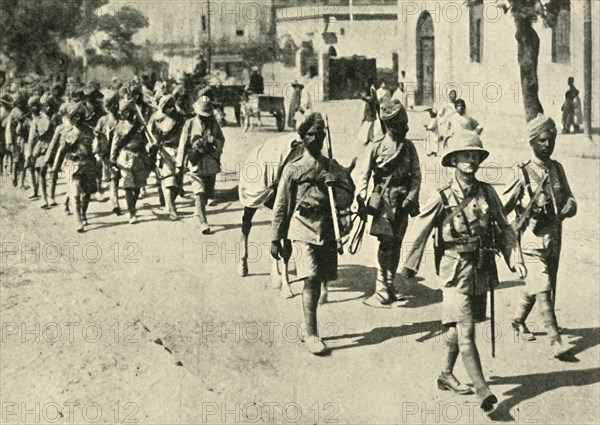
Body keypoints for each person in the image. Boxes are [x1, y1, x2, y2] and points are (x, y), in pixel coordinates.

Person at [400, 130, 526, 415]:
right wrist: (408, 265)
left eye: (475, 156)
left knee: (459, 327)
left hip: (481, 269)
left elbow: (504, 227)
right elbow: (419, 230)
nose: (471, 161)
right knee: (466, 330)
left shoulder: (487, 192)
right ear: (454, 160)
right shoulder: (441, 196)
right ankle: (484, 391)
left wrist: (513, 256)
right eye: (465, 156)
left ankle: (445, 373)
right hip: (453, 271)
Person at [270, 112, 355, 354]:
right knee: (310, 278)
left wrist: (336, 184)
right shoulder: (293, 169)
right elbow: (281, 206)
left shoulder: (333, 167)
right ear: (303, 137)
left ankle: (308, 327)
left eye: (320, 135)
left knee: (319, 280)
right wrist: (276, 238)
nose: (316, 139)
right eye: (310, 135)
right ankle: (312, 334)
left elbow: (347, 199)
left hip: (327, 229)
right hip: (301, 227)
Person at [503, 114, 576, 359]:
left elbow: (569, 197)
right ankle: (556, 342)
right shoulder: (522, 173)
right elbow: (501, 207)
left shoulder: (557, 168)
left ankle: (517, 320)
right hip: (531, 240)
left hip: (555, 238)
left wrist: (570, 206)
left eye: (551, 140)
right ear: (532, 142)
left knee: (539, 286)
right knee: (543, 287)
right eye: (543, 140)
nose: (548, 145)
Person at [356, 99, 421, 307]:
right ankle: (381, 287)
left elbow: (417, 175)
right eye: (400, 125)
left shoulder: (409, 147)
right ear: (390, 125)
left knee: (397, 243)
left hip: (403, 202)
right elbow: (364, 174)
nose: (404, 128)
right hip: (383, 201)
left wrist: (411, 197)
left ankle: (390, 285)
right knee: (385, 244)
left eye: (405, 123)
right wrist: (361, 195)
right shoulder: (377, 146)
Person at [176, 96, 225, 235]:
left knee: (208, 193)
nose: (204, 117)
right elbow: (183, 143)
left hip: (210, 163)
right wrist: (180, 163)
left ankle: (198, 211)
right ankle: (203, 222)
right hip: (195, 162)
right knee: (199, 191)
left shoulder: (214, 125)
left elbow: (221, 140)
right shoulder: (189, 124)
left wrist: (215, 141)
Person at [110, 100, 152, 224]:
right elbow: (115, 144)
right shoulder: (119, 126)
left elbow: (147, 141)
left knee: (138, 186)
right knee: (128, 185)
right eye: (124, 112)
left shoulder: (139, 125)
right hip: (125, 157)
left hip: (139, 156)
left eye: (128, 111)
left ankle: (132, 205)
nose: (126, 114)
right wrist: (112, 160)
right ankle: (132, 212)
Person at [61, 103, 98, 232]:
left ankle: (83, 213)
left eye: (79, 116)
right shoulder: (66, 132)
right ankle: (78, 221)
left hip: (87, 163)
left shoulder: (89, 131)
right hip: (71, 164)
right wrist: (56, 166)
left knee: (87, 192)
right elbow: (61, 150)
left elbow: (95, 146)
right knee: (75, 194)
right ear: (71, 118)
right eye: (74, 116)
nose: (77, 118)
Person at [150, 94, 186, 220]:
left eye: (171, 106)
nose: (170, 109)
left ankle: (169, 201)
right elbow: (152, 136)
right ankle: (172, 209)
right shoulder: (157, 119)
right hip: (165, 151)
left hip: (180, 151)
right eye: (166, 107)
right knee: (169, 180)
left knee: (178, 183)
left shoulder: (181, 118)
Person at [94, 92, 120, 210]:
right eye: (110, 105)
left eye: (115, 104)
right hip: (106, 152)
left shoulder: (121, 118)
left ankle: (114, 199)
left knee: (115, 176)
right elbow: (97, 133)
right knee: (110, 176)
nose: (114, 107)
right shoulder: (103, 120)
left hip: (119, 151)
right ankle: (110, 196)